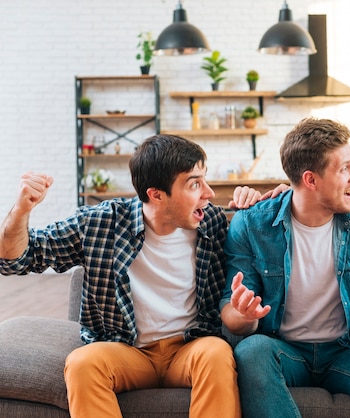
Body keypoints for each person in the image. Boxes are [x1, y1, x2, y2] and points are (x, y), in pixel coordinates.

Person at [0, 134, 262, 418]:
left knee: (216, 353)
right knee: (82, 363)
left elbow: (272, 227)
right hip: (128, 352)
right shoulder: (100, 223)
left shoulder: (210, 222)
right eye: (194, 183)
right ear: (156, 194)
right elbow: (16, 260)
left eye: (204, 179)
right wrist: (21, 210)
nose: (209, 193)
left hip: (190, 348)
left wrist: (279, 198)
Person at [219, 117, 350, 418]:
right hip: (283, 348)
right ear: (311, 180)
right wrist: (244, 315)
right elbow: (232, 309)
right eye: (344, 168)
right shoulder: (252, 223)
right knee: (251, 352)